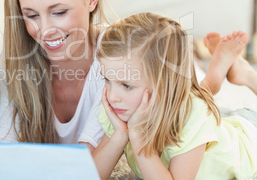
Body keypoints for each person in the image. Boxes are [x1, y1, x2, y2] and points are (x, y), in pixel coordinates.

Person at [93, 12, 257, 179]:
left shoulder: (193, 116)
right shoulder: (121, 109)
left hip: (250, 135)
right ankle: (219, 71)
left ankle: (248, 76)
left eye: (126, 85)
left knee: (198, 103)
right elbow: (90, 175)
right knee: (199, 100)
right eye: (107, 79)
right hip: (210, 118)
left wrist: (137, 136)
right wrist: (120, 135)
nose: (112, 96)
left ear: (165, 85)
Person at [0, 0, 112, 151]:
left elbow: (89, 163)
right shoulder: (12, 60)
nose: (46, 30)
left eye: (59, 12)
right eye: (31, 15)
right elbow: (2, 148)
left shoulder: (118, 58)